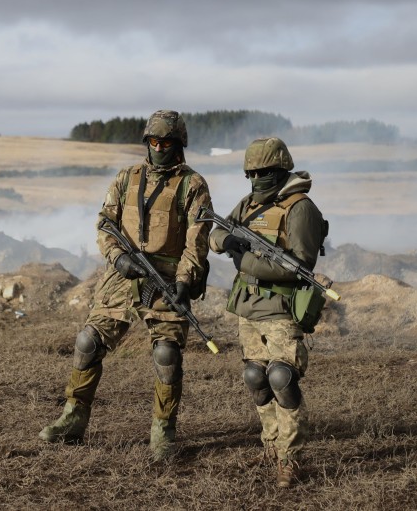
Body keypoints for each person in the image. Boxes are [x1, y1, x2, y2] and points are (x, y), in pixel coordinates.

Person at [39, 110, 213, 461]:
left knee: (166, 354)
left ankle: (163, 431)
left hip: (166, 278)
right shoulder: (126, 178)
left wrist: (184, 279)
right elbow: (105, 224)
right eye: (154, 141)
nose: (159, 148)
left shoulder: (193, 185)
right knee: (88, 342)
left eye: (166, 142)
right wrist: (118, 259)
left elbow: (197, 241)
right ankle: (73, 418)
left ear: (179, 144)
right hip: (124, 274)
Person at [209, 137, 326, 488]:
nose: (257, 179)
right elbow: (215, 232)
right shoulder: (248, 204)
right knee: (255, 377)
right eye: (252, 173)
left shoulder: (300, 208)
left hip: (281, 309)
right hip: (248, 308)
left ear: (281, 169)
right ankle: (271, 448)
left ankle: (291, 460)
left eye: (264, 172)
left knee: (281, 378)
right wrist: (227, 242)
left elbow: (299, 266)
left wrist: (243, 259)